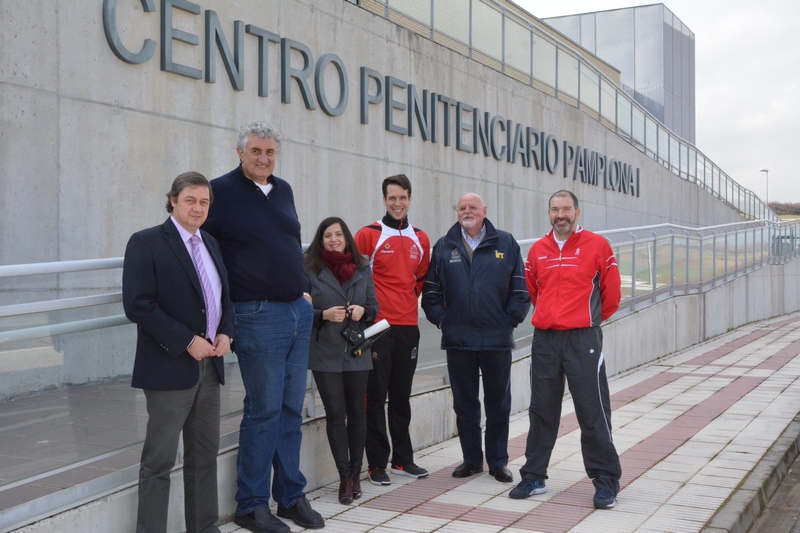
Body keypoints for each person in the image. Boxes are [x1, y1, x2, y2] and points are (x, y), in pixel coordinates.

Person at [203, 122, 324, 533]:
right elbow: (204, 252)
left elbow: (290, 243)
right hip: (256, 315)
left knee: (291, 408)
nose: (263, 158)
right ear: (240, 152)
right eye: (256, 151)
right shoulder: (220, 192)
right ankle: (251, 504)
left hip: (297, 312)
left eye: (270, 152)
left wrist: (304, 289)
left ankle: (290, 496)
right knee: (264, 409)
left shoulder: (283, 189)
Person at [122, 171, 234, 533]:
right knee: (159, 461)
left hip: (211, 367)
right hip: (168, 366)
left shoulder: (211, 243)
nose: (197, 208)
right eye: (190, 200)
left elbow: (223, 298)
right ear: (172, 201)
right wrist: (187, 340)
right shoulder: (146, 242)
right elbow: (138, 304)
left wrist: (226, 333)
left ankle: (205, 528)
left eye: (204, 202)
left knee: (204, 456)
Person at [510, 190, 622, 510]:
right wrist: (551, 317)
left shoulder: (597, 245)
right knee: (541, 409)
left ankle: (606, 481)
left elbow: (611, 296)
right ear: (549, 213)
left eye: (566, 209)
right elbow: (533, 291)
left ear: (577, 212)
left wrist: (585, 320)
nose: (560, 215)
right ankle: (534, 476)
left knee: (592, 410)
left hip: (583, 339)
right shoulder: (538, 250)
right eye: (555, 209)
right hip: (546, 339)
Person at [422, 193, 530, 484]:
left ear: (485, 211)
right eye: (462, 208)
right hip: (458, 341)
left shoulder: (505, 243)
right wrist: (443, 320)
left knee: (499, 404)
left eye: (472, 207)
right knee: (465, 405)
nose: (467, 211)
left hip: (496, 339)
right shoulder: (444, 246)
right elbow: (430, 291)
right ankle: (471, 461)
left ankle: (498, 462)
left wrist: (509, 321)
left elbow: (521, 289)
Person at [354, 174, 431, 486]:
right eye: (392, 198)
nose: (397, 204)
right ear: (384, 200)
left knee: (401, 396)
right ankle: (376, 464)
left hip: (409, 327)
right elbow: (354, 276)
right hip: (377, 328)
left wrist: (405, 305)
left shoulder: (421, 238)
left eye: (402, 198)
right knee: (375, 397)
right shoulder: (368, 234)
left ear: (409, 199)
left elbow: (420, 280)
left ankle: (402, 459)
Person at [305, 217, 379, 505]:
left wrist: (363, 311)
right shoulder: (309, 268)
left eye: (338, 234)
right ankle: (344, 477)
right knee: (335, 414)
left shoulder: (362, 266)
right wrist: (323, 315)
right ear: (321, 241)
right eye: (327, 235)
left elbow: (374, 306)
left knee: (357, 413)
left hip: (356, 351)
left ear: (347, 238)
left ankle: (357, 475)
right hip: (324, 352)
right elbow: (299, 309)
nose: (333, 239)